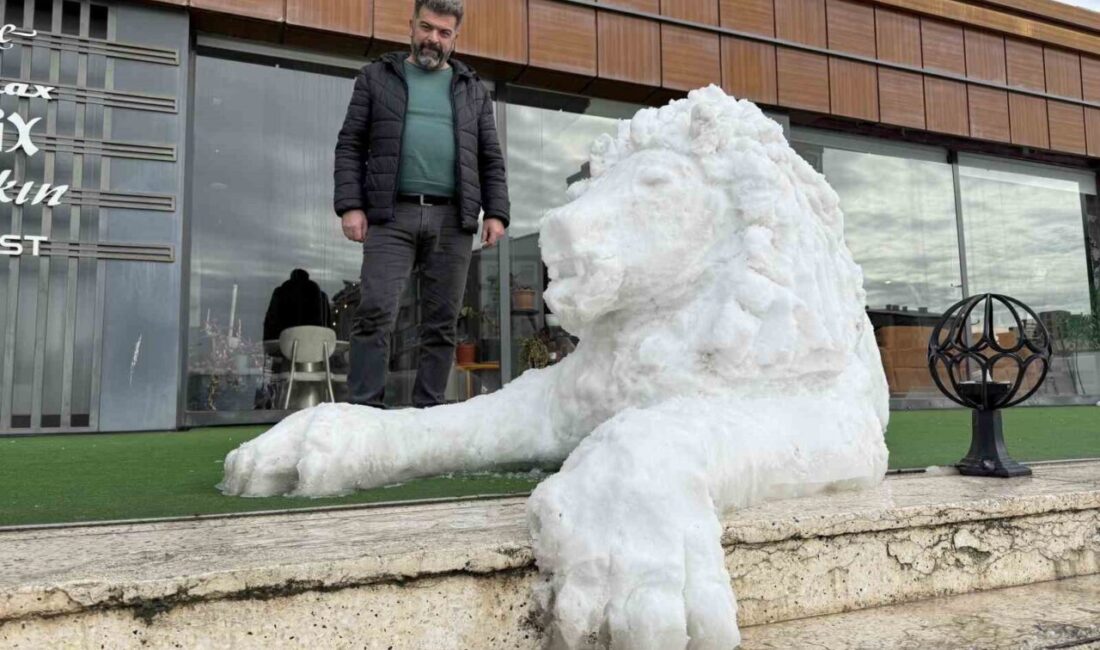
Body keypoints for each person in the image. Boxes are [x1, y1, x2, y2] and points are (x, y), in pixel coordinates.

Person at [333, 0, 509, 408]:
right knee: (375, 312)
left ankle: (428, 413)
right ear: (411, 26)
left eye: (444, 32)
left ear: (455, 37)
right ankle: (364, 411)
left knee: (441, 323)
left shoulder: (472, 89)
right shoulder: (377, 77)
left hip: (454, 218)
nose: (433, 38)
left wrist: (497, 212)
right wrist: (350, 205)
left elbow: (490, 157)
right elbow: (350, 144)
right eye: (427, 28)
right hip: (391, 214)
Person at [262, 269, 334, 342]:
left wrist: (269, 343)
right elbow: (327, 325)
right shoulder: (322, 297)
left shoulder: (280, 293)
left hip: (284, 346)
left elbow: (270, 322)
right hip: (315, 346)